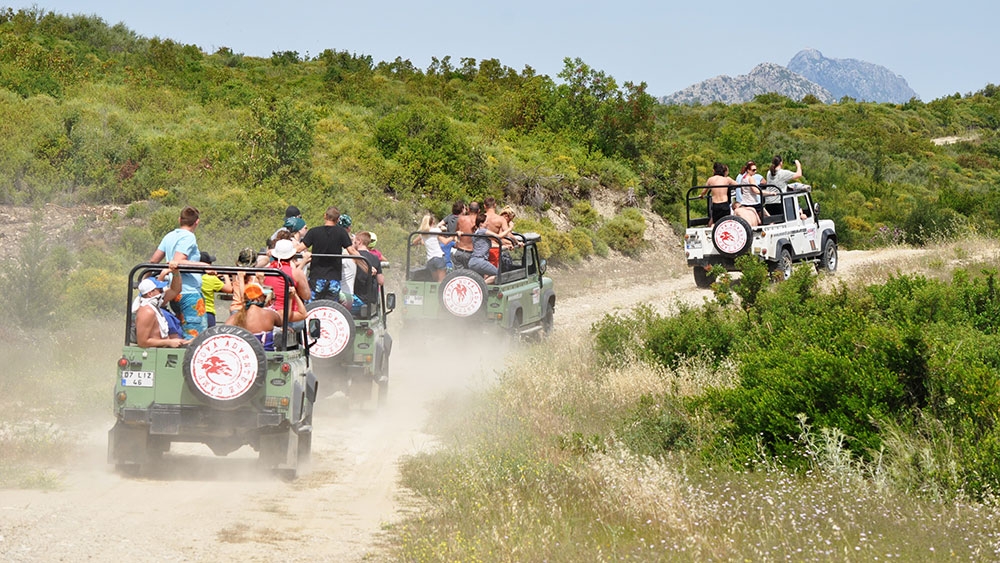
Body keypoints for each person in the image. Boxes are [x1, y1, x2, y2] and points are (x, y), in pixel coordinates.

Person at [149, 206, 207, 338]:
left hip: (174, 291)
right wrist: (203, 265)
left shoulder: (169, 236)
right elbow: (178, 260)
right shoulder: (189, 237)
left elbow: (154, 260)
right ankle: (190, 358)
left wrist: (145, 280)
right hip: (189, 292)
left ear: (179, 219)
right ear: (197, 222)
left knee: (180, 332)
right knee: (195, 335)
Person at [296, 206, 358, 302]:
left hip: (316, 276)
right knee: (331, 306)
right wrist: (366, 264)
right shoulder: (342, 233)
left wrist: (280, 252)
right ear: (337, 220)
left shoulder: (313, 232)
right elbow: (352, 251)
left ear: (325, 216)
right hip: (333, 277)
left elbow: (299, 248)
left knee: (312, 306)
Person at [226, 282, 307, 351]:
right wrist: (290, 299)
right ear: (258, 299)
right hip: (266, 358)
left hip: (244, 356)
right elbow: (285, 318)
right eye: (264, 297)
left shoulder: (235, 317)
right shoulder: (269, 314)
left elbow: (223, 331)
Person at [134, 262, 189, 348]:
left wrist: (175, 272)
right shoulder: (147, 311)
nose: (162, 292)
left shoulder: (154, 304)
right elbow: (142, 342)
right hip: (153, 354)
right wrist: (169, 342)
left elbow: (175, 290)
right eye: (159, 290)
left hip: (161, 349)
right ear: (150, 293)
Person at [459, 212, 501, 284]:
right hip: (480, 261)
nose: (488, 223)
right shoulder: (482, 231)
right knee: (498, 274)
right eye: (486, 222)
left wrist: (506, 246)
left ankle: (480, 288)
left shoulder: (477, 232)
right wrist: (510, 228)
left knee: (480, 279)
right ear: (481, 224)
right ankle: (481, 286)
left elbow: (487, 245)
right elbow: (498, 236)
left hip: (473, 261)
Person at [199, 252, 232, 328]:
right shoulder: (211, 279)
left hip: (195, 311)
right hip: (208, 312)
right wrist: (225, 274)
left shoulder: (192, 277)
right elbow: (229, 289)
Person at [414, 213, 448, 282]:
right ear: (432, 222)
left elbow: (414, 242)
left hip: (430, 259)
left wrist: (422, 243)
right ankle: (440, 293)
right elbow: (445, 241)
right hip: (438, 256)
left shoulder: (423, 233)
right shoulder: (436, 231)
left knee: (435, 280)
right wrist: (452, 237)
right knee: (441, 280)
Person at [453, 201, 479, 269]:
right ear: (479, 210)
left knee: (459, 276)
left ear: (469, 209)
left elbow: (456, 231)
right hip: (472, 253)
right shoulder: (480, 221)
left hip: (460, 251)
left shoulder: (461, 219)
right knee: (473, 277)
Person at [483, 196, 506, 267]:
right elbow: (507, 234)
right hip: (494, 247)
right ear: (495, 205)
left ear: (484, 206)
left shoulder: (480, 218)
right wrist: (515, 241)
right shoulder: (500, 219)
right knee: (492, 271)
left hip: (481, 247)